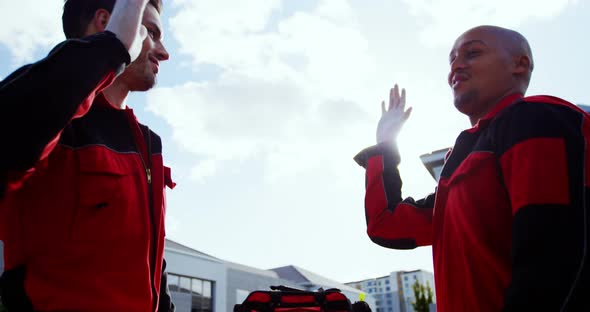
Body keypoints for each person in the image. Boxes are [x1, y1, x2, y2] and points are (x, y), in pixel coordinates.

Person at [354, 25, 589, 311]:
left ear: (520, 64)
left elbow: (551, 253)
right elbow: (387, 225)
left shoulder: (537, 118)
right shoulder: (462, 167)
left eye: (473, 52)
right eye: (451, 59)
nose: (456, 65)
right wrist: (385, 145)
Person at [0, 0, 176, 311]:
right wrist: (114, 46)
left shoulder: (150, 144)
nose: (164, 52)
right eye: (151, 32)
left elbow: (153, 275)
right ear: (105, 21)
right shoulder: (51, 120)